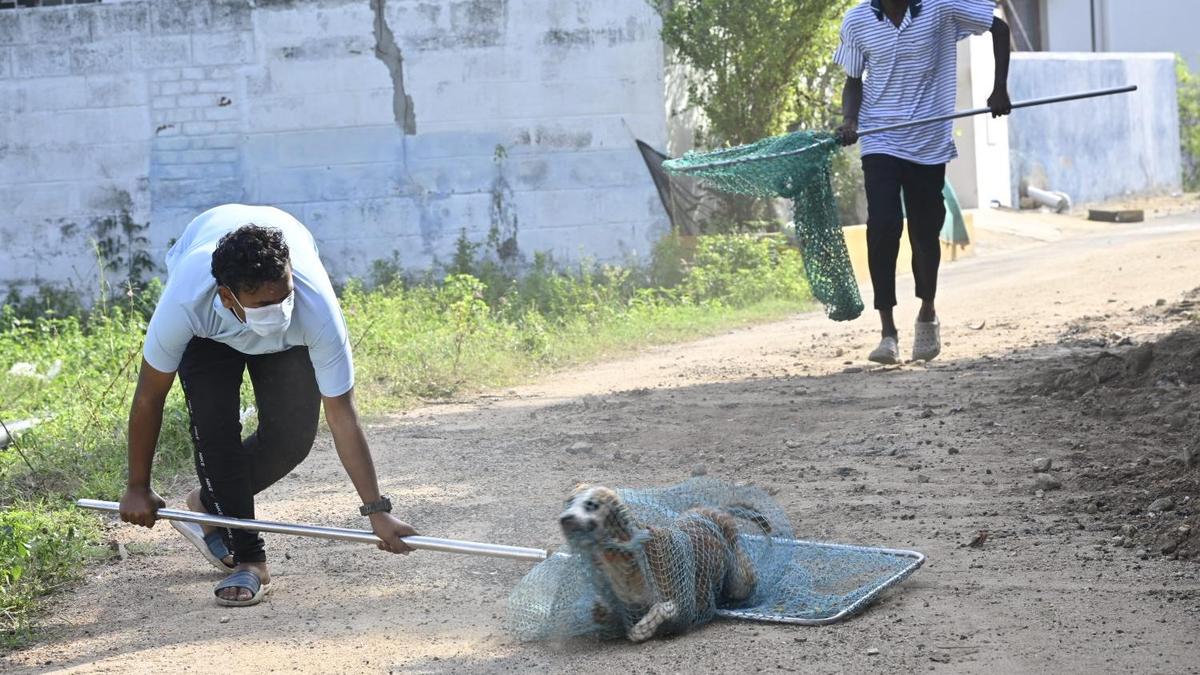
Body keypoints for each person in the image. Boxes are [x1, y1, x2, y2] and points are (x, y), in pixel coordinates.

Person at [119, 204, 418, 607]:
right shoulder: (186, 303)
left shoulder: (313, 309)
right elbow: (149, 397)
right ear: (227, 297)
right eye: (263, 305)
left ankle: (207, 504)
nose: (278, 311)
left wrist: (376, 510)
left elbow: (343, 413)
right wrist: (138, 486)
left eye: (284, 295)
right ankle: (249, 559)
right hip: (210, 338)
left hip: (288, 338)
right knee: (215, 432)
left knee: (292, 438)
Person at [833, 0, 1012, 363]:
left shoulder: (941, 8)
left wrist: (999, 90)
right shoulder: (857, 20)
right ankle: (887, 332)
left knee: (924, 231)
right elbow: (853, 80)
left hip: (929, 141)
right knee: (882, 226)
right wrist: (850, 120)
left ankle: (927, 312)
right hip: (880, 136)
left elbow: (1000, 28)